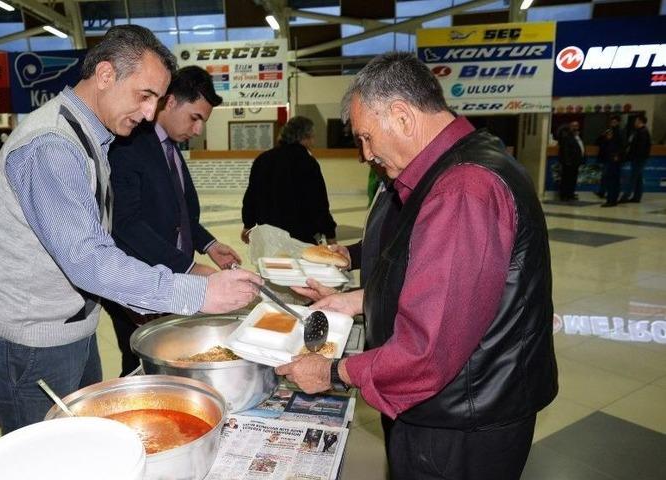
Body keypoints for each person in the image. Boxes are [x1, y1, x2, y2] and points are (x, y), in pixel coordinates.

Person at [276, 52, 558, 480]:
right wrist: (357, 299)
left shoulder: (463, 189)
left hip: (460, 421)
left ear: (403, 117)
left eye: (367, 137)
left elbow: (428, 349)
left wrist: (333, 371)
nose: (365, 154)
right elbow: (446, 285)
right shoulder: (458, 167)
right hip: (463, 402)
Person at [0, 25, 261, 435]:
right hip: (30, 347)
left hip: (72, 330)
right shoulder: (53, 145)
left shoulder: (93, 140)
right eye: (144, 96)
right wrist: (196, 290)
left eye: (157, 100)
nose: (148, 113)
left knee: (81, 446)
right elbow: (88, 259)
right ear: (106, 75)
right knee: (45, 460)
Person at [104, 66, 242, 375]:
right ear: (170, 103)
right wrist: (190, 267)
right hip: (138, 286)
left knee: (170, 357)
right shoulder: (130, 145)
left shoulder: (170, 149)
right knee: (142, 360)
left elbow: (180, 211)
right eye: (195, 118)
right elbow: (125, 223)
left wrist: (209, 245)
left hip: (171, 279)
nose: (198, 130)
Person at [241, 116, 337, 245]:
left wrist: (248, 224)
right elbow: (318, 203)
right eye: (312, 137)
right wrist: (330, 234)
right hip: (301, 237)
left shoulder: (263, 159)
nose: (313, 142)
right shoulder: (307, 162)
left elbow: (251, 196)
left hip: (269, 237)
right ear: (305, 137)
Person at [619, 114, 651, 203]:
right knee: (638, 178)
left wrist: (633, 156)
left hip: (638, 159)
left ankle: (625, 196)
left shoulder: (643, 132)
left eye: (636, 121)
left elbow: (640, 147)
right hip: (638, 158)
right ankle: (637, 197)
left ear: (640, 121)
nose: (634, 122)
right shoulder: (639, 131)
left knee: (633, 178)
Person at [597, 117, 624, 207]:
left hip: (613, 159)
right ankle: (612, 199)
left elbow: (621, 145)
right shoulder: (609, 131)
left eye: (615, 122)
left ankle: (611, 200)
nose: (613, 123)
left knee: (612, 180)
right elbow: (599, 142)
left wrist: (617, 155)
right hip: (609, 158)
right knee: (611, 180)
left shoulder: (619, 133)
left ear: (618, 122)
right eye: (612, 121)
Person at [557, 120, 584, 201]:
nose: (575, 128)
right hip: (568, 163)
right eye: (573, 126)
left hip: (576, 162)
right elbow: (565, 150)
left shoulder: (577, 136)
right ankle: (564, 195)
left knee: (573, 179)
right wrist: (567, 161)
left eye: (577, 126)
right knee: (566, 179)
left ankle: (570, 194)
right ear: (570, 127)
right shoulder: (567, 136)